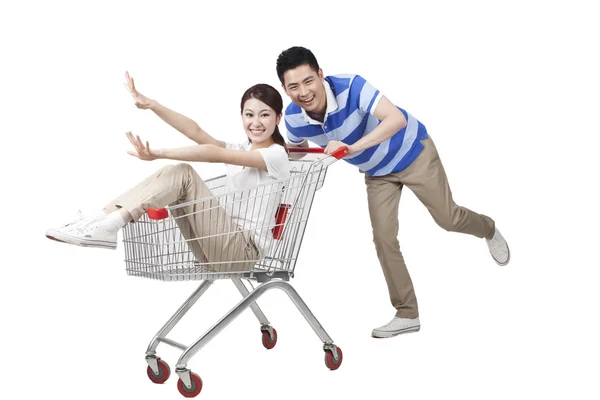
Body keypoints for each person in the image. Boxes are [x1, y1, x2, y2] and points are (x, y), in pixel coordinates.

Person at [276, 46, 510, 338]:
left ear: (320, 75)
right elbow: (297, 154)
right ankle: (407, 314)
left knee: (448, 219)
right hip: (377, 172)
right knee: (383, 238)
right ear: (285, 90)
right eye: (293, 86)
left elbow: (395, 118)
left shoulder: (352, 86)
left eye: (308, 81)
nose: (304, 92)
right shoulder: (294, 119)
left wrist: (351, 148)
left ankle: (487, 228)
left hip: (412, 152)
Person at [46, 75, 291, 272]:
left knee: (183, 173)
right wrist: (152, 105)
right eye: (249, 115)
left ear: (278, 117)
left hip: (242, 251)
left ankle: (110, 224)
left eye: (264, 114)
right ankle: (100, 219)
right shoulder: (242, 148)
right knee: (172, 173)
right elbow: (195, 132)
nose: (255, 122)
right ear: (241, 117)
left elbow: (216, 154)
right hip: (215, 247)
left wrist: (160, 152)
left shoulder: (276, 155)